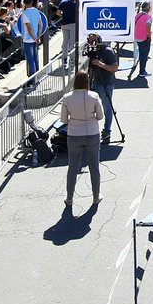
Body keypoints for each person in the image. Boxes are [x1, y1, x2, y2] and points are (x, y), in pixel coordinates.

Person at [60, 71, 104, 210]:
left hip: (74, 134)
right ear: (87, 82)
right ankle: (96, 196)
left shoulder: (67, 98)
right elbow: (101, 116)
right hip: (92, 133)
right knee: (94, 167)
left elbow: (63, 119)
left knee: (73, 167)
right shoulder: (94, 96)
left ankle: (69, 198)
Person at [84, 33, 120, 146]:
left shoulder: (108, 51)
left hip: (106, 83)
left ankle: (106, 131)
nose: (92, 44)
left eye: (94, 41)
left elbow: (115, 68)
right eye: (90, 41)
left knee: (107, 108)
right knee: (90, 108)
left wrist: (100, 64)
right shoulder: (92, 53)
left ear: (99, 40)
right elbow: (90, 69)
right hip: (96, 83)